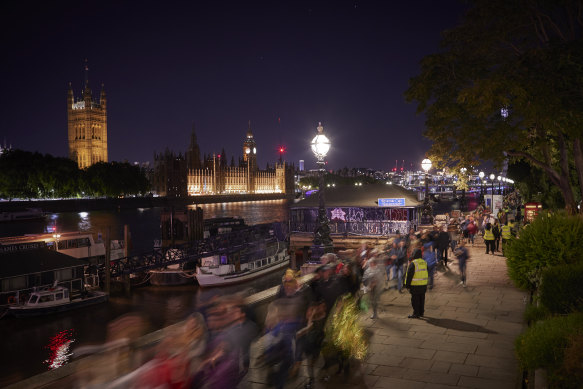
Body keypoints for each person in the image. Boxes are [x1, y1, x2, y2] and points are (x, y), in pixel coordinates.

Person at [404, 248, 428, 319]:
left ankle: (416, 313)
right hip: (423, 284)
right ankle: (421, 312)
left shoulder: (413, 263)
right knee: (421, 299)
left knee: (415, 300)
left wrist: (407, 285)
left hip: (415, 285)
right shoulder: (424, 262)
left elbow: (409, 275)